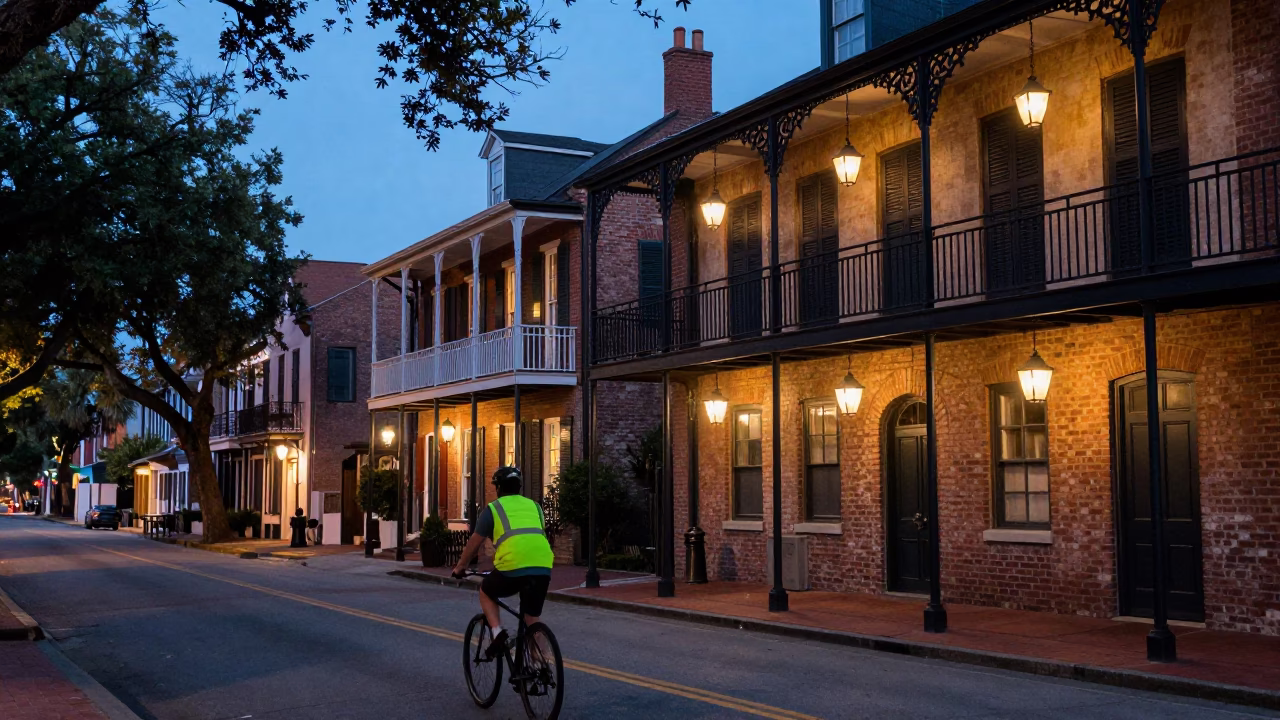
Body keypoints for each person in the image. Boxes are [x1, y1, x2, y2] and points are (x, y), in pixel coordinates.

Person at [452, 466, 554, 658]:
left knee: (486, 591)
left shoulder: (494, 509)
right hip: (543, 565)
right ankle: (539, 662)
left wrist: (460, 567)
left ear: (498, 488)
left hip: (512, 566)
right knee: (532, 616)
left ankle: (497, 632)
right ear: (519, 487)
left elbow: (475, 542)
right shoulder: (535, 507)